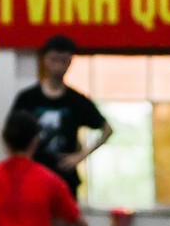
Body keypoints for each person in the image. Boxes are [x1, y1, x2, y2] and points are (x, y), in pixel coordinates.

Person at [11, 35, 113, 200]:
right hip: (33, 176)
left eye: (63, 61)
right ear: (45, 59)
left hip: (65, 177)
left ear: (70, 62)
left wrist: (80, 156)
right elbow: (10, 134)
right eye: (54, 60)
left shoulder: (77, 100)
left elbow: (107, 129)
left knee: (66, 223)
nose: (58, 66)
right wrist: (20, 163)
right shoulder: (28, 98)